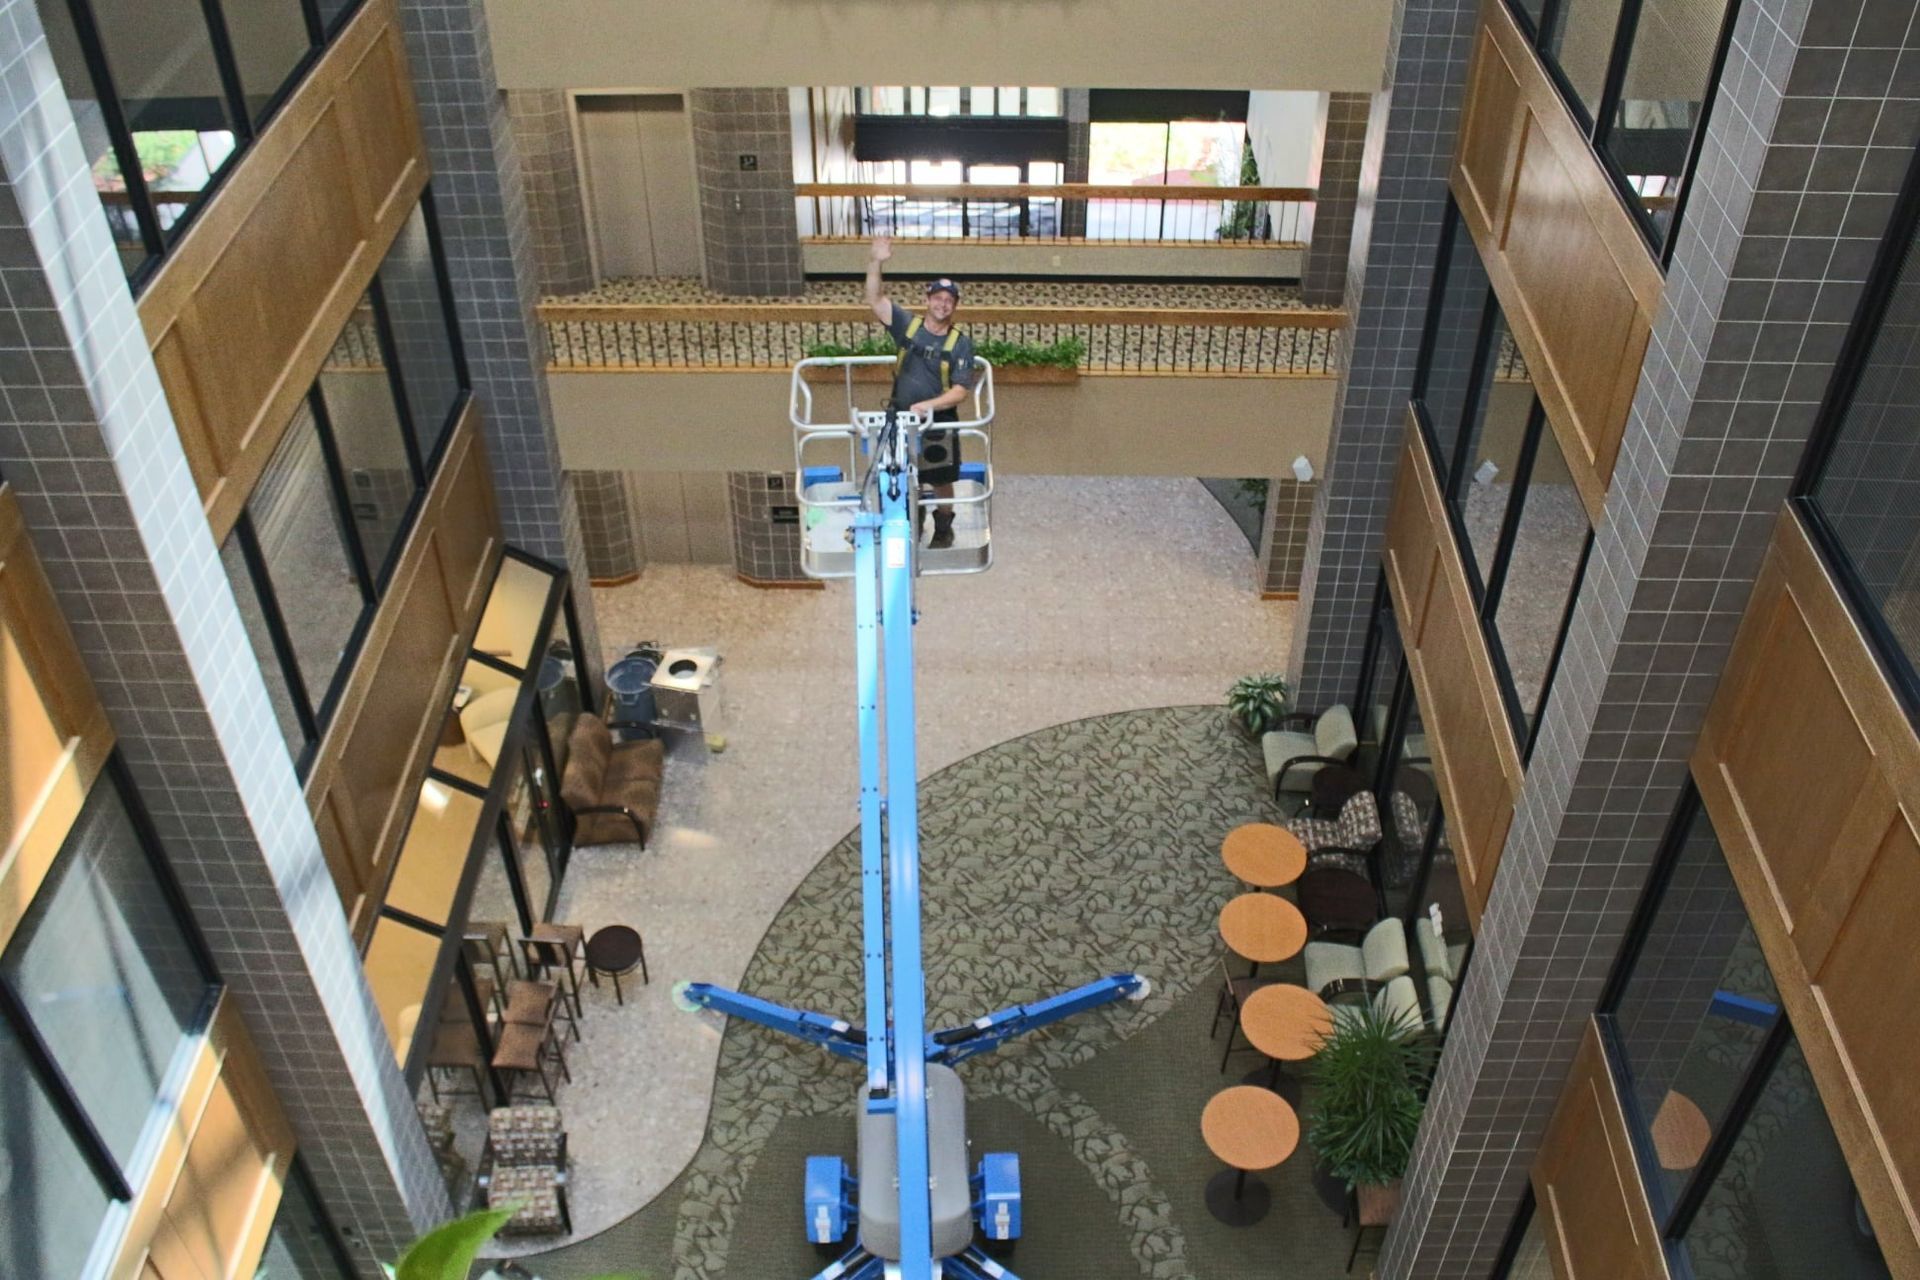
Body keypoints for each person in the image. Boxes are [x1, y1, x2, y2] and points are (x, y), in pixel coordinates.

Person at [864, 235, 975, 549]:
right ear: (927, 300)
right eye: (937, 298)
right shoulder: (907, 326)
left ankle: (943, 527)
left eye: (948, 300)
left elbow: (960, 390)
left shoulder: (959, 343)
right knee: (899, 472)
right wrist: (876, 262)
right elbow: (875, 299)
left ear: (954, 306)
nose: (942, 304)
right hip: (899, 417)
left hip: (937, 422)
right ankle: (912, 520)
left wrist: (929, 405)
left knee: (941, 478)